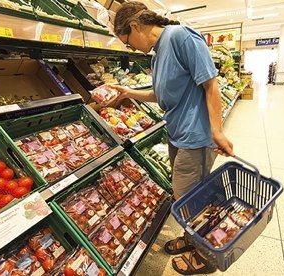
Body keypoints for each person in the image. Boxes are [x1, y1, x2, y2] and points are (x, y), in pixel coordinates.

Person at [109, 2, 235, 275]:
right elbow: (159, 95)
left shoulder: (180, 36)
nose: (130, 48)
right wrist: (128, 91)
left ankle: (206, 255)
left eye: (127, 42)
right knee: (186, 195)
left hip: (196, 134)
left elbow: (210, 84)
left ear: (134, 27)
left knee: (189, 196)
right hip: (177, 133)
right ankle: (194, 239)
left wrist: (216, 131)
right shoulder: (157, 54)